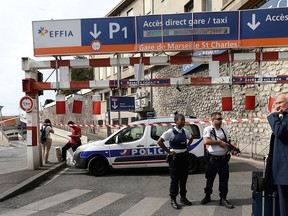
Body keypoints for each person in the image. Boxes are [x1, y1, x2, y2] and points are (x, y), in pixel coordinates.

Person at [157, 113, 193, 210]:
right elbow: (159, 142)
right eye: (181, 120)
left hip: (184, 158)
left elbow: (191, 138)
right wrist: (169, 152)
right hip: (175, 160)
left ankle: (183, 197)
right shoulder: (170, 132)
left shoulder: (185, 131)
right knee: (175, 180)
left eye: (184, 120)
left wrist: (187, 147)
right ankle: (173, 199)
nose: (184, 121)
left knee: (183, 179)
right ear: (176, 121)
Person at [200, 112, 235, 209]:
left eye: (221, 119)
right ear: (213, 120)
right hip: (212, 160)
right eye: (219, 119)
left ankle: (223, 198)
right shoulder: (208, 129)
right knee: (209, 179)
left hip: (223, 160)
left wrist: (232, 149)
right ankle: (207, 196)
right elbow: (206, 141)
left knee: (224, 180)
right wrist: (219, 142)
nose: (221, 121)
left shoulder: (223, 130)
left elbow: (227, 142)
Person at [267, 93, 288, 216]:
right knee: (279, 201)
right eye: (276, 103)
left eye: (280, 102)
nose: (278, 106)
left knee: (284, 203)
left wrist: (273, 115)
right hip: (280, 168)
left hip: (284, 170)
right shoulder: (283, 117)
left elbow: (280, 132)